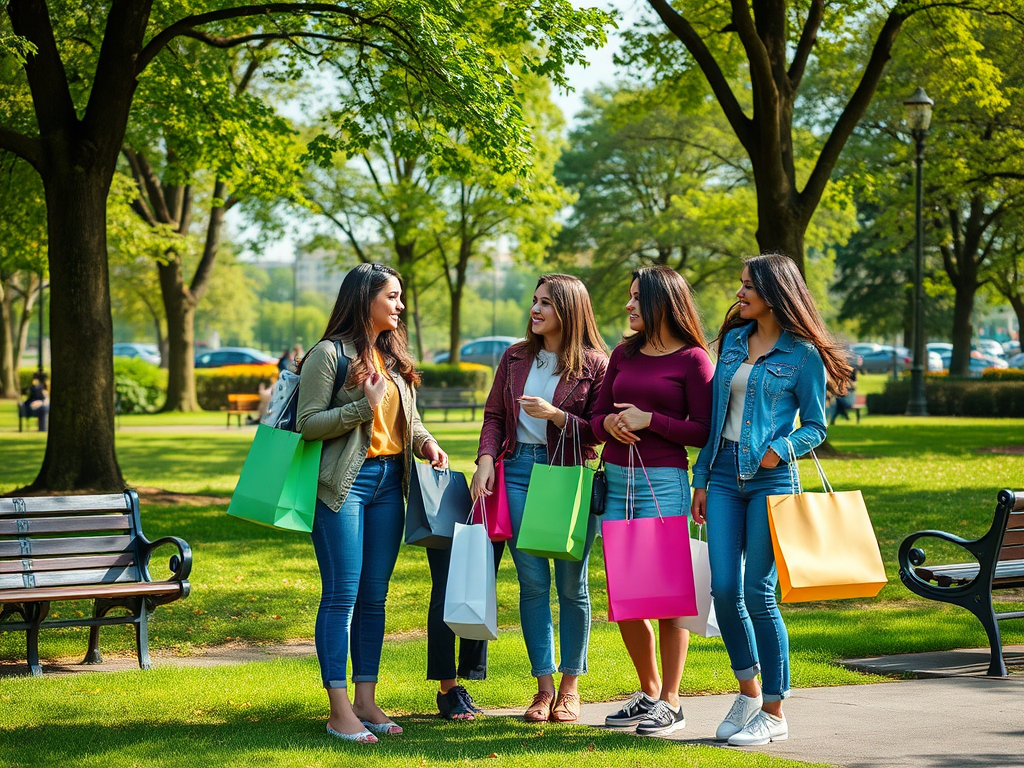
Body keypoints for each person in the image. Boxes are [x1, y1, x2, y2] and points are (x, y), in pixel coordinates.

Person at [691, 254, 852, 747]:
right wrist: (700, 476)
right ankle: (748, 691)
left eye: (747, 287)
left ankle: (775, 711)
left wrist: (778, 451)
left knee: (759, 594)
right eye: (740, 285)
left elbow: (817, 428)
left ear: (774, 293)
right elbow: (720, 412)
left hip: (769, 481)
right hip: (720, 475)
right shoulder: (734, 343)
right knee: (722, 588)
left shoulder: (802, 356)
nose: (738, 294)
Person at [296, 263, 450, 744]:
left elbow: (410, 421)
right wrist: (363, 406)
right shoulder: (328, 355)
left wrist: (426, 444)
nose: (400, 306)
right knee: (341, 594)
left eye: (400, 297)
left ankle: (366, 699)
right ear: (365, 299)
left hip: (390, 485)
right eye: (393, 296)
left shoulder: (393, 357)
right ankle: (338, 708)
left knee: (374, 598)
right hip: (344, 485)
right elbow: (308, 424)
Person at [470, 273, 608, 724]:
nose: (535, 309)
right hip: (517, 473)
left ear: (568, 310)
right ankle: (543, 688)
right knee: (532, 585)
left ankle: (571, 687)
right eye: (535, 301)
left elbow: (599, 429)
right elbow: (493, 414)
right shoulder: (514, 357)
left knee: (572, 585)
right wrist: (486, 458)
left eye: (546, 303)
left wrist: (557, 416)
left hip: (568, 475)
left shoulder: (595, 365)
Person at [591, 266, 714, 736]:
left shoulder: (693, 360)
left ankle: (671, 701)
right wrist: (611, 426)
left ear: (663, 301)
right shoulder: (622, 354)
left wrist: (650, 420)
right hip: (617, 479)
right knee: (626, 596)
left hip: (663, 481)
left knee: (664, 597)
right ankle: (648, 690)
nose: (628, 306)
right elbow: (599, 413)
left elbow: (703, 431)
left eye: (637, 298)